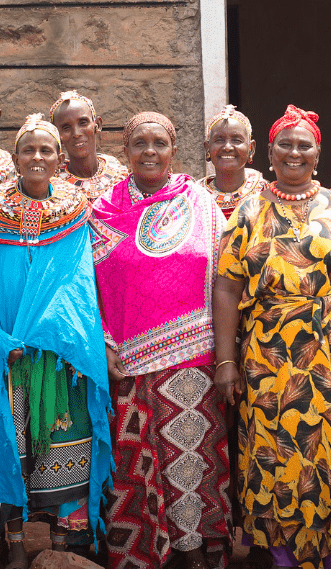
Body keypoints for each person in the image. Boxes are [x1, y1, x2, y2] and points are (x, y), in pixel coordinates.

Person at [213, 104, 331, 569]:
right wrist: (225, 361)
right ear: (269, 152)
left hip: (329, 360)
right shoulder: (248, 208)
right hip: (267, 361)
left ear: (319, 153)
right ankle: (280, 558)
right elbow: (226, 286)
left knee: (329, 459)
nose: (294, 153)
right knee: (271, 457)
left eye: (304, 145)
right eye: (285, 144)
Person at [93, 112, 231, 569]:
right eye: (139, 143)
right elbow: (90, 285)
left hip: (192, 359)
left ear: (174, 150)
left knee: (190, 460)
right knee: (134, 467)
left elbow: (222, 280)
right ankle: (143, 556)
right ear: (125, 150)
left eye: (159, 142)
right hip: (125, 360)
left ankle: (194, 553)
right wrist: (105, 343)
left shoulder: (201, 204)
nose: (149, 151)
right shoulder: (103, 210)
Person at [0, 114, 113, 568]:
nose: (37, 157)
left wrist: (57, 336)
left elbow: (79, 283)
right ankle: (13, 545)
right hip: (8, 350)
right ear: (14, 158)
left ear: (59, 159)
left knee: (67, 440)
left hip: (60, 353)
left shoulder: (75, 210)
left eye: (46, 150)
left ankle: (64, 545)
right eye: (28, 150)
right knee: (8, 441)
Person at [48, 90, 128, 199]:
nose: (76, 134)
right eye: (66, 128)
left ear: (97, 125)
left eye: (83, 123)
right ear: (57, 135)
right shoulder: (53, 185)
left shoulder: (119, 176)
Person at [199, 105, 264, 218]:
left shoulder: (265, 194)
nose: (227, 147)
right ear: (207, 148)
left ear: (251, 148)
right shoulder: (196, 196)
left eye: (236, 140)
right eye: (219, 140)